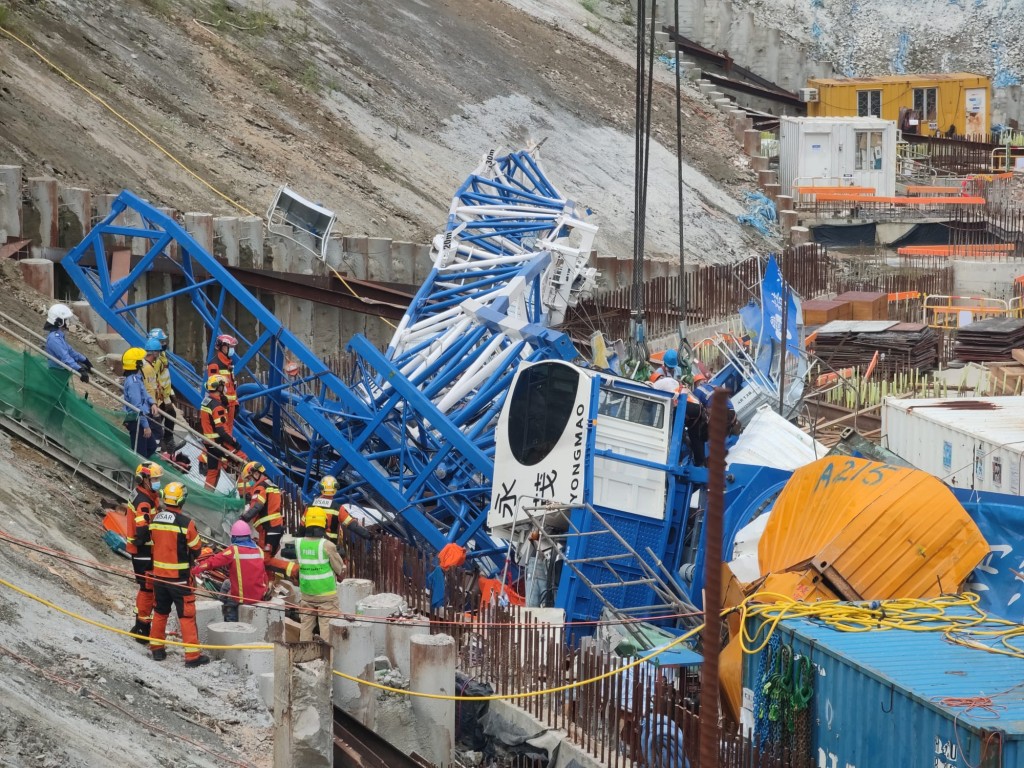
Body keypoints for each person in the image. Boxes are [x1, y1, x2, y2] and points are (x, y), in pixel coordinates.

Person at [148, 481, 209, 667]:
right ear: (182, 500)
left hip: (159, 577)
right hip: (180, 579)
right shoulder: (186, 523)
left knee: (160, 611)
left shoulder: (156, 519)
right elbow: (197, 549)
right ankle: (192, 657)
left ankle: (156, 649)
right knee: (186, 615)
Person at [192, 520, 268, 622]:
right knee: (227, 583)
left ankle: (229, 621)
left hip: (242, 598)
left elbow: (212, 562)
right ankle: (221, 605)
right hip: (258, 595)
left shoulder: (233, 551)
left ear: (234, 537)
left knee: (230, 604)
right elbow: (264, 575)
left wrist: (194, 570)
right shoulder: (259, 550)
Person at [296, 507, 347, 641]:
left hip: (307, 592)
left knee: (306, 626)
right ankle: (327, 657)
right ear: (324, 523)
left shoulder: (299, 543)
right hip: (326, 594)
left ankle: (304, 655)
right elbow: (339, 568)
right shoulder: (327, 545)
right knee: (326, 627)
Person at [126, 461, 162, 642]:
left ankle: (139, 624)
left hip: (141, 549)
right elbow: (142, 529)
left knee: (145, 588)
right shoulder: (143, 502)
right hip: (143, 550)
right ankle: (142, 628)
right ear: (144, 479)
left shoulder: (145, 495)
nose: (157, 482)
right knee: (148, 589)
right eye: (154, 479)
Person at [305, 474, 373, 552]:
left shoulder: (310, 506)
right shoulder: (338, 509)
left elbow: (303, 526)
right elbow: (352, 525)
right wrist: (368, 535)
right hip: (329, 546)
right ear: (335, 489)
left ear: (321, 488)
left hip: (310, 546)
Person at [199, 374, 243, 490]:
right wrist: (234, 443)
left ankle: (207, 496)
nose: (225, 387)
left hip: (209, 443)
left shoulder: (207, 400)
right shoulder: (217, 407)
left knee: (213, 471)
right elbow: (221, 430)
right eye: (223, 385)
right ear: (218, 388)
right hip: (218, 443)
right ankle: (246, 495)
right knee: (244, 462)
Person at [122, 347, 161, 458]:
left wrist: (152, 403)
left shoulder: (136, 379)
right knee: (140, 455)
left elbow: (145, 394)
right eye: (141, 361)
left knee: (151, 446)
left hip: (140, 420)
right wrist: (146, 426)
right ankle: (137, 473)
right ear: (136, 364)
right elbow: (137, 407)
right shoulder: (133, 382)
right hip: (137, 421)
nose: (143, 362)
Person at [239, 461, 284, 556]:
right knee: (270, 556)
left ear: (256, 473)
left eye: (250, 478)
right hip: (275, 526)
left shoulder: (260, 487)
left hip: (268, 527)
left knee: (266, 559)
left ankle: (293, 570)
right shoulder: (271, 485)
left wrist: (244, 519)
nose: (250, 481)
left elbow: (258, 506)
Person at [43, 303, 91, 383]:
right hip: (57, 373)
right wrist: (79, 369)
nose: (66, 323)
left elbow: (69, 350)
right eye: (65, 320)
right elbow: (65, 357)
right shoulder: (54, 339)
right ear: (59, 322)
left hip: (60, 372)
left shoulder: (58, 336)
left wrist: (84, 360)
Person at [147, 328, 177, 453]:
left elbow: (165, 377)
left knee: (168, 417)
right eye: (162, 341)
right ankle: (160, 445)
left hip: (165, 393)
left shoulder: (161, 355)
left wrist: (171, 394)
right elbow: (156, 381)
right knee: (159, 421)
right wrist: (166, 398)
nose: (164, 344)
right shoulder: (155, 360)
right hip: (159, 396)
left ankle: (165, 442)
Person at [206, 334, 239, 433]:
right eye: (231, 347)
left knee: (229, 430)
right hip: (222, 405)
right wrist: (221, 401)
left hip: (231, 405)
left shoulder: (229, 363)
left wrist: (236, 403)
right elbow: (213, 387)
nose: (232, 349)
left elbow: (232, 386)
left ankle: (229, 448)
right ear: (222, 347)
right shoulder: (214, 364)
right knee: (223, 431)